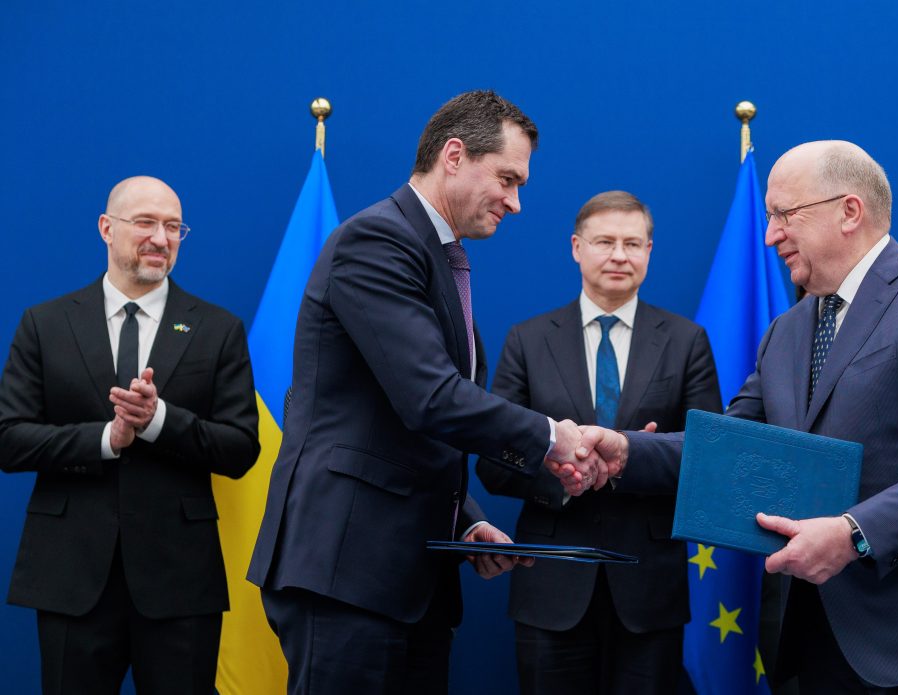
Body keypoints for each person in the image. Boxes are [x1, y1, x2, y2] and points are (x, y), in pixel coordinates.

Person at [575, 141, 898, 693]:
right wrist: (626, 453)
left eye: (784, 214)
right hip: (813, 646)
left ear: (849, 212)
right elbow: (733, 447)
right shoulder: (785, 331)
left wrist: (854, 534)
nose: (769, 235)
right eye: (768, 217)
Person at [247, 90, 604, 695]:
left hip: (408, 580)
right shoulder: (377, 243)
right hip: (346, 575)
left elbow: (401, 425)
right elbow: (430, 398)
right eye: (509, 179)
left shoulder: (437, 258)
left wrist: (463, 522)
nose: (516, 203)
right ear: (455, 155)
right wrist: (552, 436)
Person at [0, 176, 261, 695]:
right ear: (106, 228)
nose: (161, 239)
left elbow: (240, 449)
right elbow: (10, 439)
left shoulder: (217, 329)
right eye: (145, 222)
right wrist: (107, 438)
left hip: (180, 582)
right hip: (71, 577)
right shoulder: (45, 324)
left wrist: (159, 421)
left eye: (173, 227)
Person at [476, 190, 720, 694]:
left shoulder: (685, 340)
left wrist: (639, 457)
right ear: (575, 247)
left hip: (649, 591)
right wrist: (564, 477)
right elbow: (493, 460)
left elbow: (710, 459)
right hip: (551, 587)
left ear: (650, 251)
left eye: (633, 243)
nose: (618, 255)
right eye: (604, 241)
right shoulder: (529, 339)